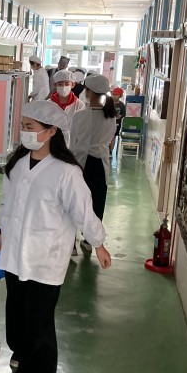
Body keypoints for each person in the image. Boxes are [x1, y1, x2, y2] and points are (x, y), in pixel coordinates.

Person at [0, 100, 111, 373]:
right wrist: (1, 230)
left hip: (45, 259)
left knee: (39, 324)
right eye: (23, 126)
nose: (24, 131)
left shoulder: (66, 172)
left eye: (30, 127)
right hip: (14, 255)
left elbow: (83, 211)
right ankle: (22, 353)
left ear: (51, 131)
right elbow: (7, 202)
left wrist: (98, 243)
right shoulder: (17, 164)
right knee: (16, 315)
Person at [70, 74, 117, 252]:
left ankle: (71, 243)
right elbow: (109, 142)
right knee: (96, 202)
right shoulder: (110, 116)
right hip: (100, 165)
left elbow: (73, 143)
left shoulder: (79, 116)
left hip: (80, 164)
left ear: (89, 92)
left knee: (75, 201)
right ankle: (90, 241)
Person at [50, 69, 85, 148]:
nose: (63, 87)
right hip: (52, 142)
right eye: (60, 84)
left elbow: (81, 129)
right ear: (55, 85)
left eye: (67, 84)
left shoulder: (79, 105)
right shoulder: (48, 104)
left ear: (73, 85)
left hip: (71, 144)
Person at [110, 87, 127, 153]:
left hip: (117, 124)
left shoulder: (122, 105)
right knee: (109, 137)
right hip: (109, 123)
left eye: (116, 95)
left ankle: (111, 151)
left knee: (113, 137)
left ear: (120, 95)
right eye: (113, 94)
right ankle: (108, 150)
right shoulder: (109, 103)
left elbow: (124, 114)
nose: (114, 96)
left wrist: (120, 116)